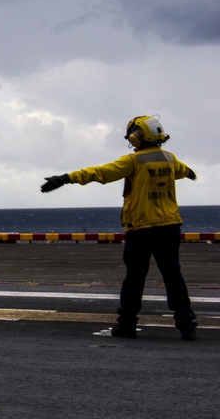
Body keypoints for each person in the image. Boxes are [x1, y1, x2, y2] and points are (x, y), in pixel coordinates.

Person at [40, 115, 198, 341]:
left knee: (134, 278)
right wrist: (191, 174)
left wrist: (65, 178)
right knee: (173, 276)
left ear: (137, 136)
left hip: (141, 228)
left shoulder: (134, 161)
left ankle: (127, 325)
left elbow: (101, 172)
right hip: (170, 226)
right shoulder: (170, 159)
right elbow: (184, 171)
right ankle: (187, 325)